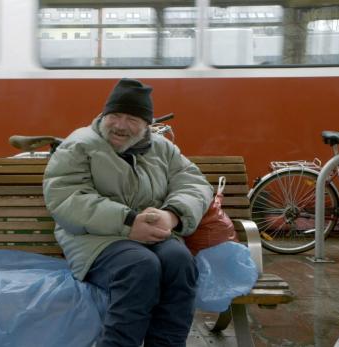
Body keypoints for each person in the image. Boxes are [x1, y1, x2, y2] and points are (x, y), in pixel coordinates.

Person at [42, 78, 213, 347]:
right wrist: (128, 222)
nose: (121, 125)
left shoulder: (162, 148)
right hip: (95, 239)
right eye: (115, 115)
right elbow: (66, 197)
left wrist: (172, 215)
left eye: (132, 118)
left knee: (179, 261)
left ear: (147, 124)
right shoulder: (80, 145)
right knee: (140, 266)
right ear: (104, 115)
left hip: (153, 233)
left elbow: (193, 183)